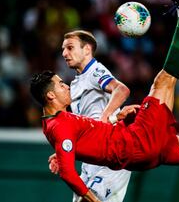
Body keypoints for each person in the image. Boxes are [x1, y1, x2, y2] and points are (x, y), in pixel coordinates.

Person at [30, 0, 179, 202]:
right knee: (165, 80)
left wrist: (114, 118)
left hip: (130, 149)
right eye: (59, 85)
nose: (64, 84)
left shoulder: (66, 109)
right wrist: (108, 120)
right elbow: (77, 144)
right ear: (50, 95)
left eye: (69, 48)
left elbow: (104, 110)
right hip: (133, 144)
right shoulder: (63, 119)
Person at [48, 29, 132, 202]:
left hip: (111, 156)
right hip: (91, 160)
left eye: (70, 48)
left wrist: (106, 116)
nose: (64, 53)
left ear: (87, 49)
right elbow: (82, 126)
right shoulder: (76, 83)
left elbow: (121, 89)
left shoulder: (95, 71)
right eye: (63, 49)